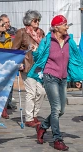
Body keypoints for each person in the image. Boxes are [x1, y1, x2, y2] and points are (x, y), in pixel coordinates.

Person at [32, 15, 83, 151]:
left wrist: (77, 77)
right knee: (56, 109)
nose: (67, 27)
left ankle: (42, 127)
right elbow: (38, 56)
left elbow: (74, 60)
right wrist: (35, 50)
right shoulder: (47, 40)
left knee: (61, 110)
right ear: (56, 27)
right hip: (50, 76)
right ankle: (57, 139)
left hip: (63, 78)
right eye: (64, 25)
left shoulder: (69, 41)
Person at [12, 10, 46, 128]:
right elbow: (15, 49)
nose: (37, 22)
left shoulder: (41, 33)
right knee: (31, 92)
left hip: (39, 67)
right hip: (27, 65)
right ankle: (29, 118)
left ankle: (34, 114)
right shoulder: (22, 32)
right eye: (35, 20)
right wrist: (19, 62)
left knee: (41, 92)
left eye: (38, 20)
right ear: (29, 21)